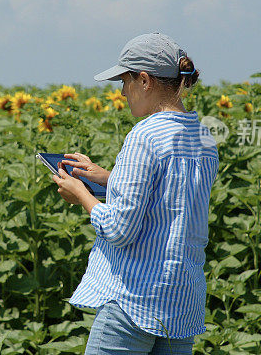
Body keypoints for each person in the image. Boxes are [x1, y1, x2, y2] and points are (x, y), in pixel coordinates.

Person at [52, 32, 219, 355]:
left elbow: (119, 229)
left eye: (124, 82)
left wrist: (82, 195)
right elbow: (171, 195)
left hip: (134, 300)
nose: (122, 92)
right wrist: (108, 177)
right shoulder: (203, 137)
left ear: (144, 81)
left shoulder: (144, 135)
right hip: (181, 301)